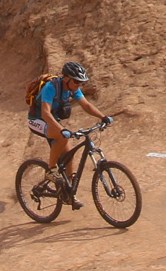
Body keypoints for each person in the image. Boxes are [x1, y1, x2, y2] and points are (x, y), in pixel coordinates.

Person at [27, 61, 109, 202]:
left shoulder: (73, 88)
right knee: (62, 136)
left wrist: (103, 117)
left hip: (52, 121)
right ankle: (51, 170)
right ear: (67, 78)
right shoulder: (50, 87)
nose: (79, 85)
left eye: (81, 82)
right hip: (37, 120)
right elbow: (45, 114)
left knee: (68, 156)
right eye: (77, 81)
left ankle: (68, 193)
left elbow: (86, 105)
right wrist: (61, 129)